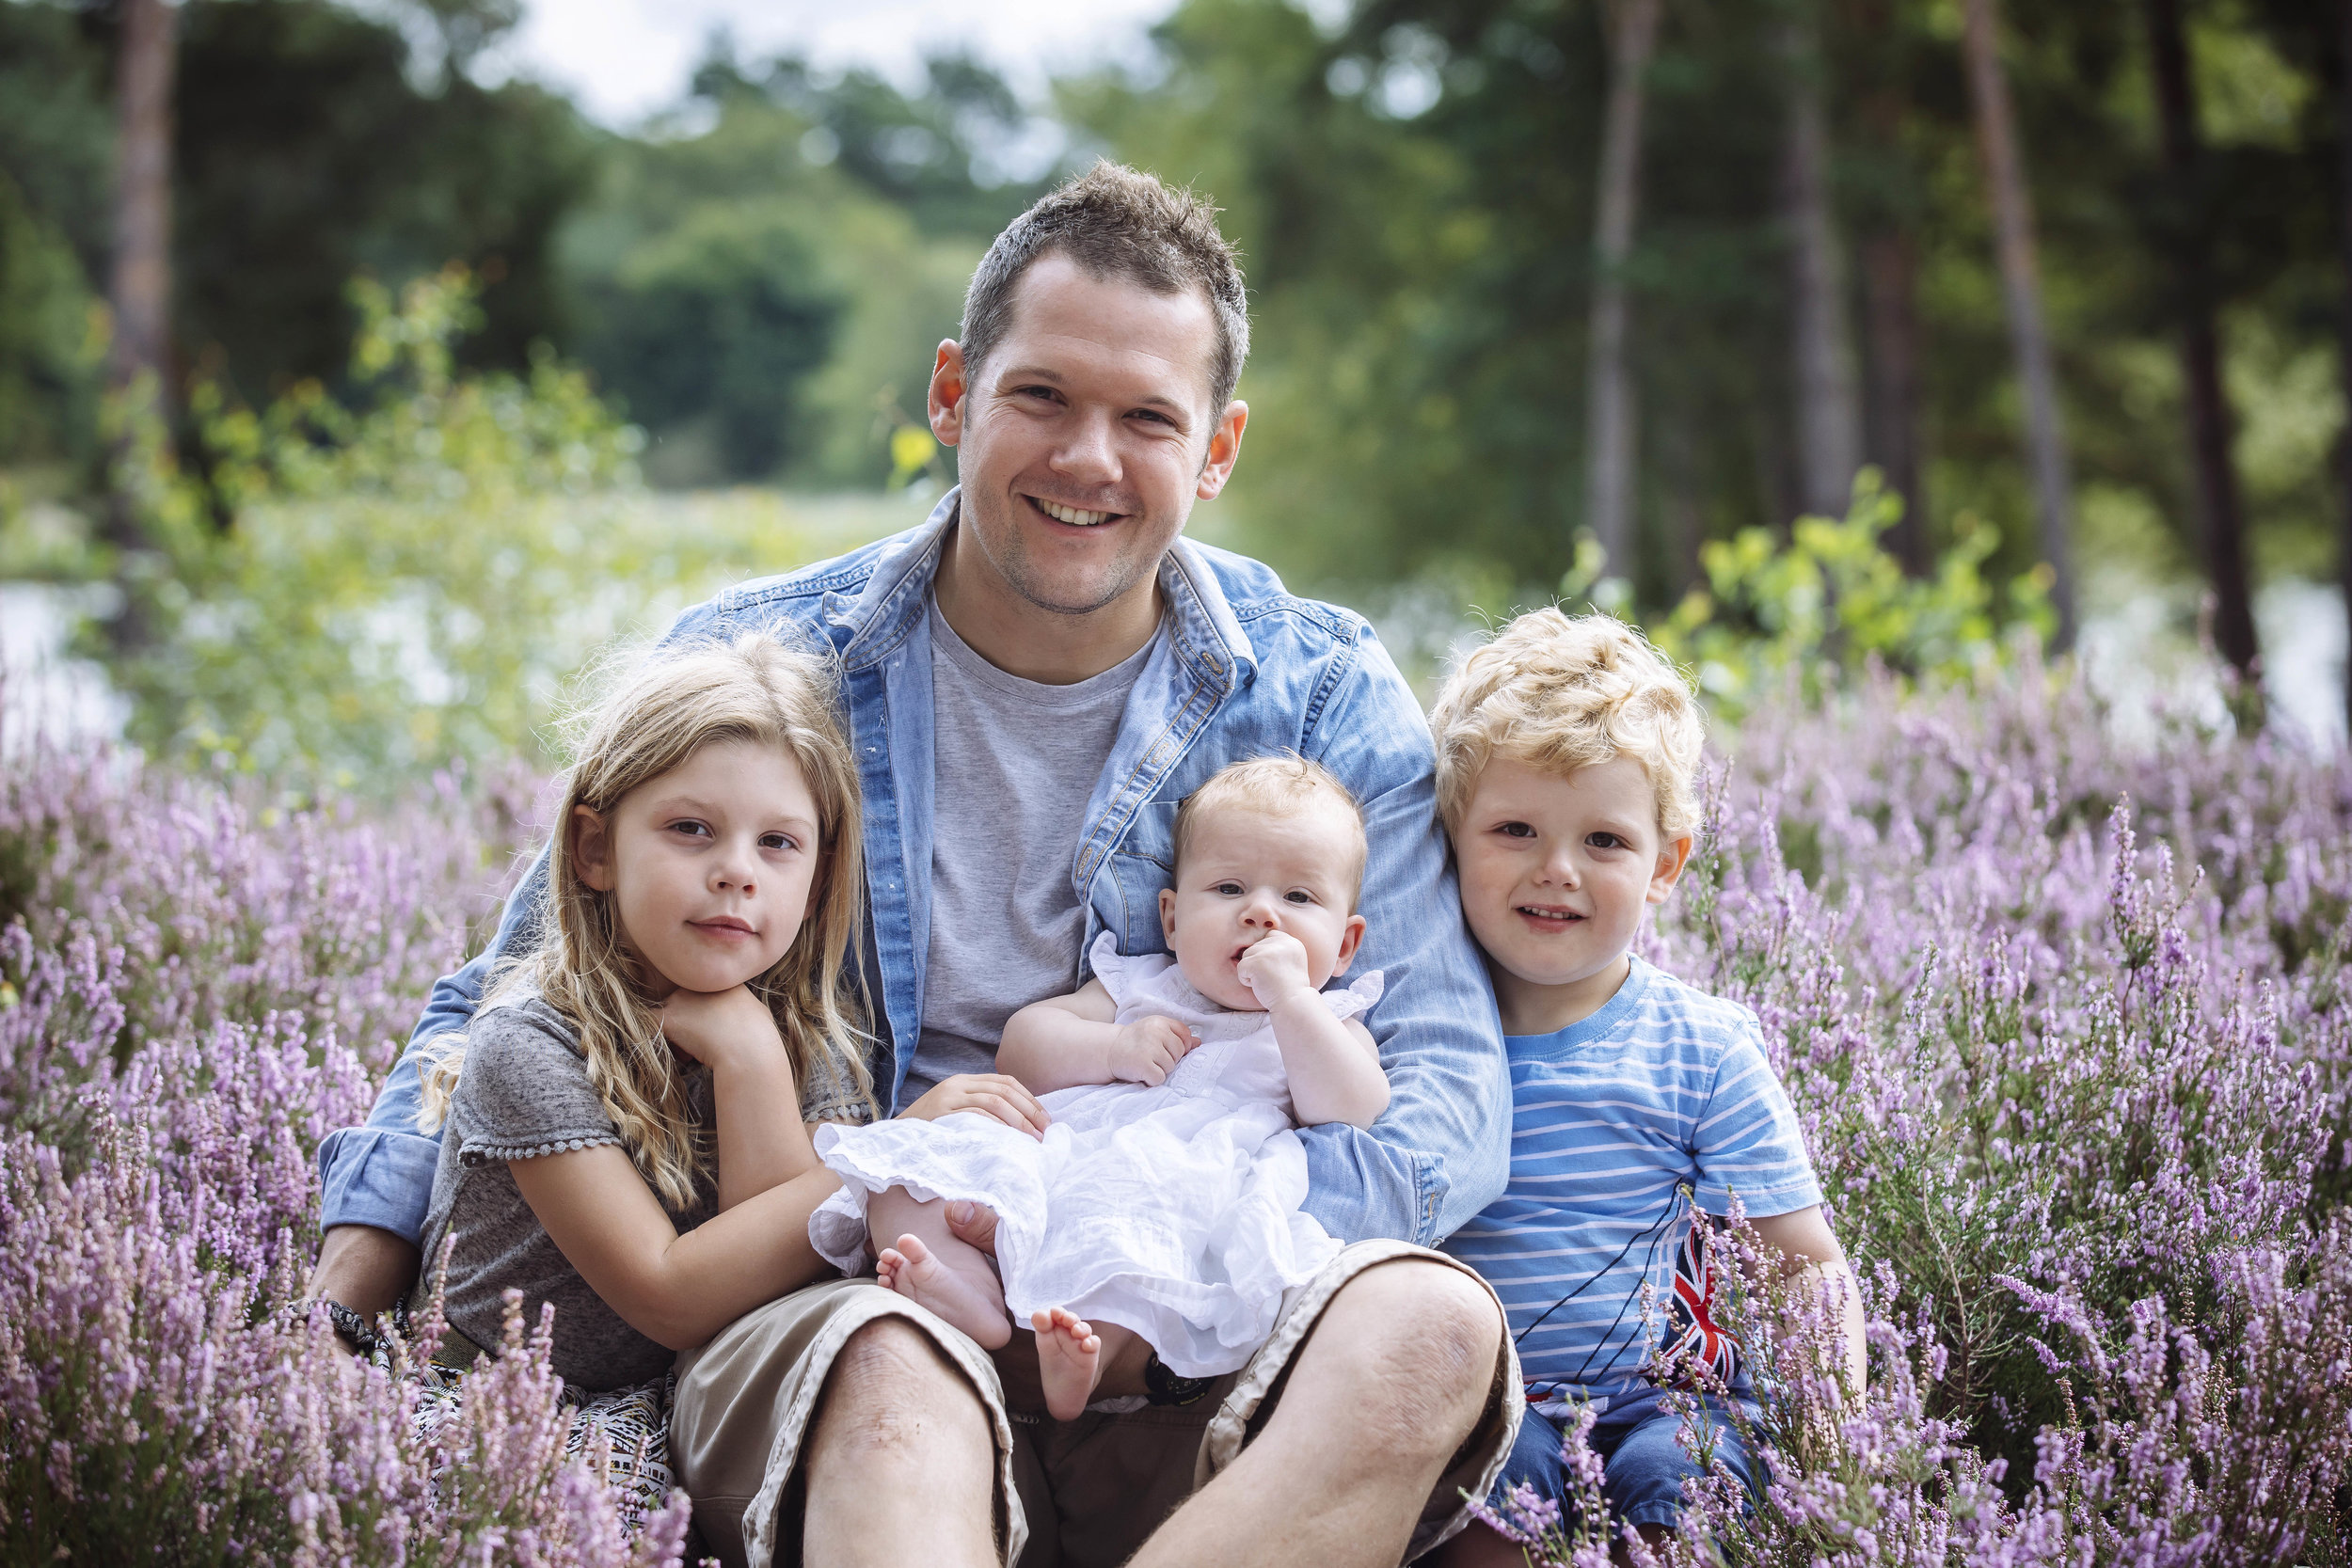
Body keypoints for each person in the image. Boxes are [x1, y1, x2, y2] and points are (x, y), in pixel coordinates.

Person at [306, 161, 1519, 1568]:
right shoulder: (769, 662)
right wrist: (337, 1310)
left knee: (1435, 1328)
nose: (1088, 459)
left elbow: (1447, 1093)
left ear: (1218, 447)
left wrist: (1159, 1260)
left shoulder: (1318, 691)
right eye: (1041, 396)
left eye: (1147, 418)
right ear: (953, 392)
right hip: (856, 1284)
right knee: (895, 1367)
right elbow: (513, 994)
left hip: (1185, 1307)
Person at [398, 634, 878, 1525]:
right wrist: (893, 1159)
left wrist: (748, 1059)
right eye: (691, 829)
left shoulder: (806, 1038)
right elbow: (670, 1293)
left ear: (815, 885)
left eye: (779, 842)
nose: (736, 870)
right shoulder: (529, 1044)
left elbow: (778, 1287)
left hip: (673, 1413)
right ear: (595, 848)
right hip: (497, 1418)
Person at [1424, 610, 1865, 1561]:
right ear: (1447, 837)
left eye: (1604, 841)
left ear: (1664, 863)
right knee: (1485, 1509)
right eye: (1514, 829)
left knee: (1680, 1494)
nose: (1557, 869)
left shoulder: (1701, 1047)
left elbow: (1803, 1264)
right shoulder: (1417, 1033)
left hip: (1673, 1397)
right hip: (1489, 1403)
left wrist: (1837, 1440)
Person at [808, 756, 1390, 1420]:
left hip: (1172, 1183)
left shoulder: (1331, 1022)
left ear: (1345, 945)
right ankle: (965, 1291)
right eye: (1229, 888)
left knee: (1142, 1251)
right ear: (1172, 919)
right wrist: (1112, 1048)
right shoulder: (1139, 985)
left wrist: (1292, 998)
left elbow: (1352, 1108)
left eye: (1299, 899)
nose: (1261, 913)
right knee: (903, 1171)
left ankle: (1086, 1355)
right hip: (1055, 1151)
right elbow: (1023, 1045)